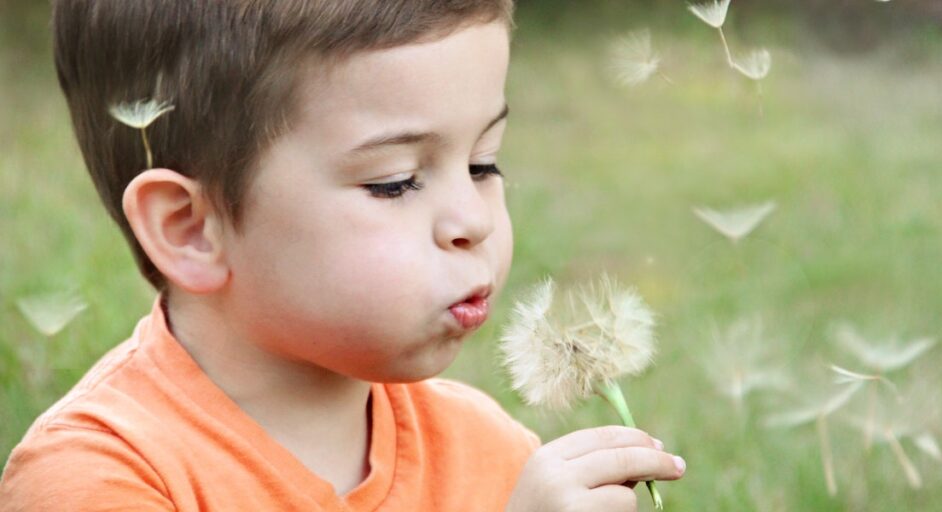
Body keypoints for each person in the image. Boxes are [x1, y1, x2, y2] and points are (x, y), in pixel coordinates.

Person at [0, 1, 686, 510]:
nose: (473, 220)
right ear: (190, 229)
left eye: (483, 163)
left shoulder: (490, 452)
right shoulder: (98, 477)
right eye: (395, 182)